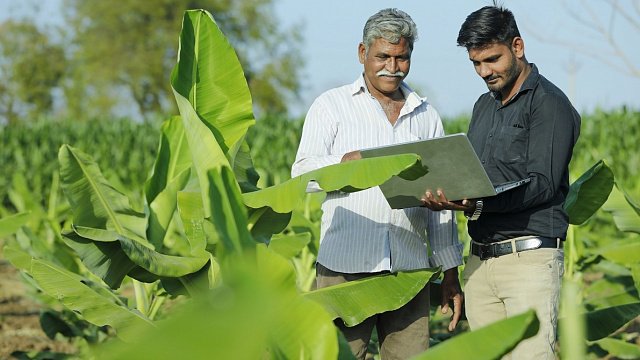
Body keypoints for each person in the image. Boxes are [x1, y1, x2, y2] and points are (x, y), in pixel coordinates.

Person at [291, 8, 464, 360]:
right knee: (338, 355)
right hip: (345, 269)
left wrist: (450, 271)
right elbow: (302, 176)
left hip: (409, 270)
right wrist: (345, 163)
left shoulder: (425, 114)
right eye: (383, 56)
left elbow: (442, 206)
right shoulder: (331, 106)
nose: (393, 66)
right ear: (362, 54)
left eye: (402, 57)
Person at [421, 5, 581, 360]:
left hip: (529, 260)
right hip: (479, 261)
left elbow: (543, 182)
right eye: (476, 64)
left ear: (518, 47)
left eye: (491, 59)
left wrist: (477, 203)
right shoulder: (483, 106)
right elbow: (475, 177)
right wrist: (447, 191)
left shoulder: (549, 104)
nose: (484, 72)